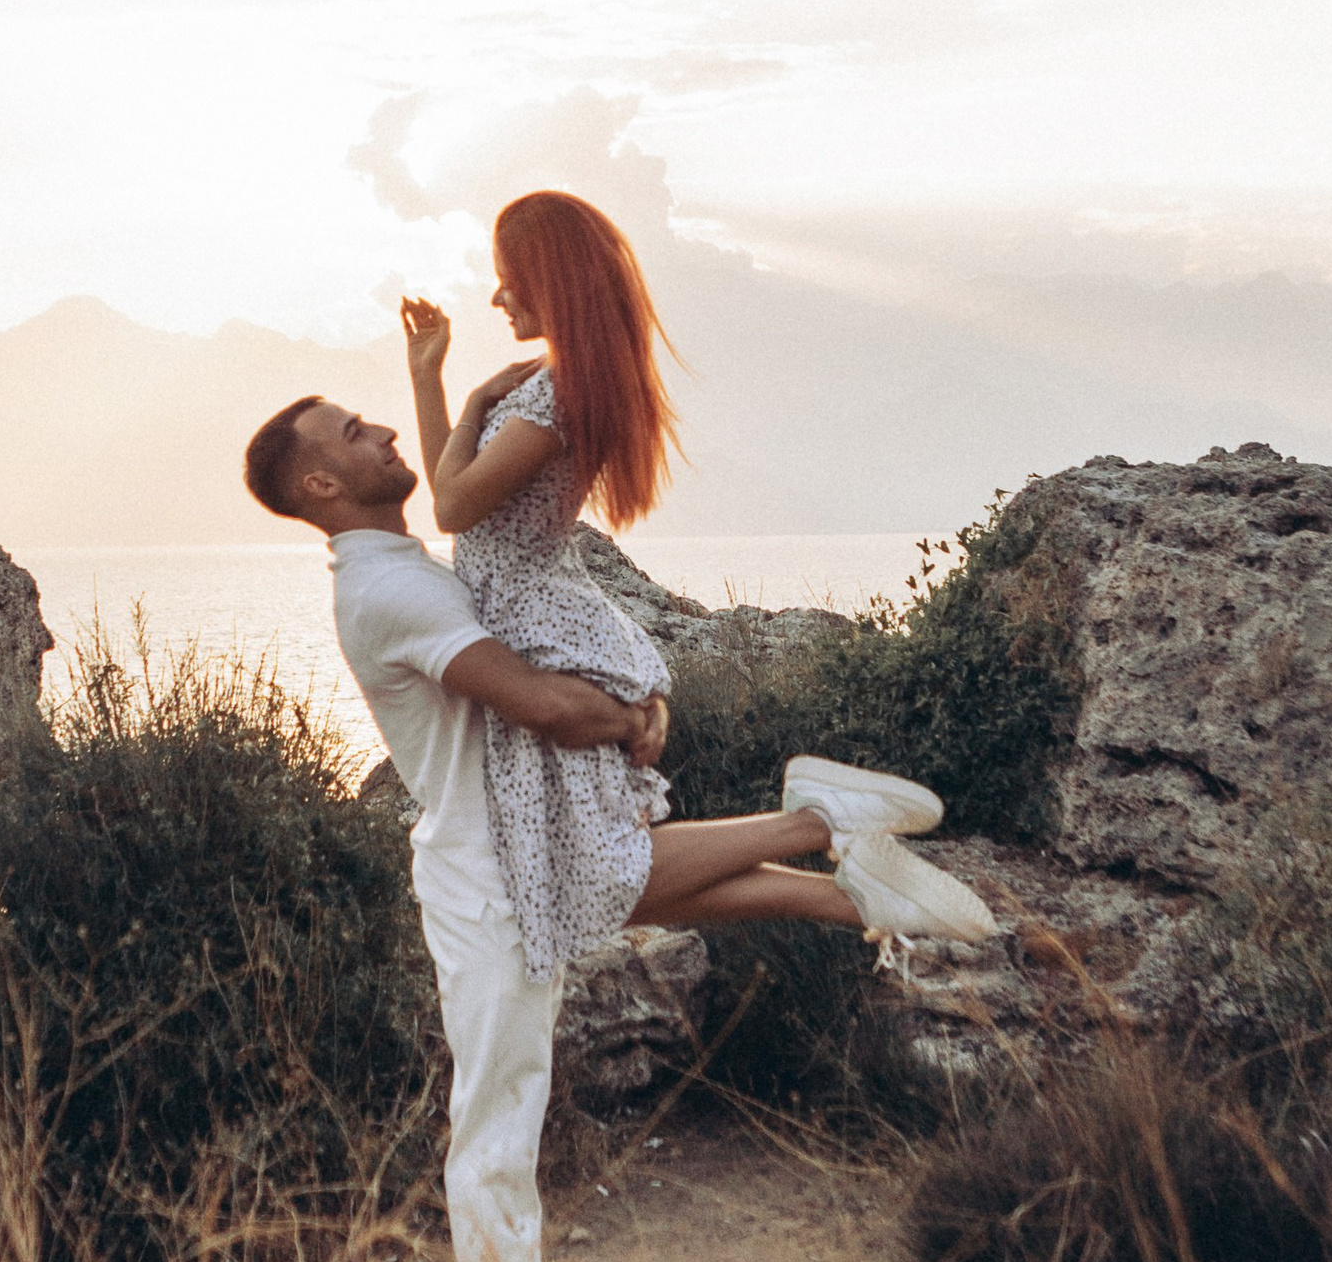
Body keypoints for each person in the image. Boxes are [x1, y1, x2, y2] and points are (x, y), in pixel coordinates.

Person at [241, 371, 990, 1262]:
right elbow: (539, 701)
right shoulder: (388, 590)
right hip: (484, 878)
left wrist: (444, 375)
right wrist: (631, 713)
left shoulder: (400, 566)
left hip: (516, 854)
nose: (382, 432)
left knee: (555, 1021)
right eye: (354, 433)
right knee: (493, 1130)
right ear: (319, 480)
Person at [401, 188, 998, 973]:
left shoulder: (550, 392)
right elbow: (467, 492)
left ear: (552, 278)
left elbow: (449, 503)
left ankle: (816, 821)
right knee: (601, 881)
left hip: (535, 635)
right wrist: (432, 378)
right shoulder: (571, 382)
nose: (496, 294)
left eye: (509, 275)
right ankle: (857, 897)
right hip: (542, 622)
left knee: (600, 874)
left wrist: (474, 396)